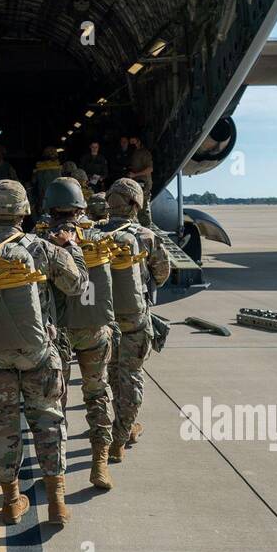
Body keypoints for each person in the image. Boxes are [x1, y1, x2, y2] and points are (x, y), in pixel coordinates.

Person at [0, 179, 86, 526]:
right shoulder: (42, 248)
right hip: (38, 352)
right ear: (24, 214)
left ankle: (12, 502)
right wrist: (71, 248)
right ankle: (57, 503)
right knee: (48, 422)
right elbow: (76, 286)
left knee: (4, 425)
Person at [41, 176, 116, 490]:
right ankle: (100, 461)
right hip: (93, 326)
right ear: (81, 205)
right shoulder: (98, 235)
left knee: (56, 401)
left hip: (59, 330)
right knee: (97, 394)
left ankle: (56, 479)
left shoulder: (41, 239)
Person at [97, 178, 170, 463]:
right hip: (134, 320)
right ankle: (120, 437)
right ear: (135, 204)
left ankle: (113, 432)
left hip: (102, 320)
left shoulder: (94, 234)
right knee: (131, 377)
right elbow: (162, 273)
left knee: (110, 377)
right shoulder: (145, 236)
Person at [126, 135, 155, 228]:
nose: (132, 144)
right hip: (136, 183)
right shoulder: (135, 153)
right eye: (130, 142)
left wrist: (135, 175)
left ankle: (147, 229)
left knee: (143, 207)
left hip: (144, 184)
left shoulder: (144, 153)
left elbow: (150, 169)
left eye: (133, 141)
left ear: (139, 141)